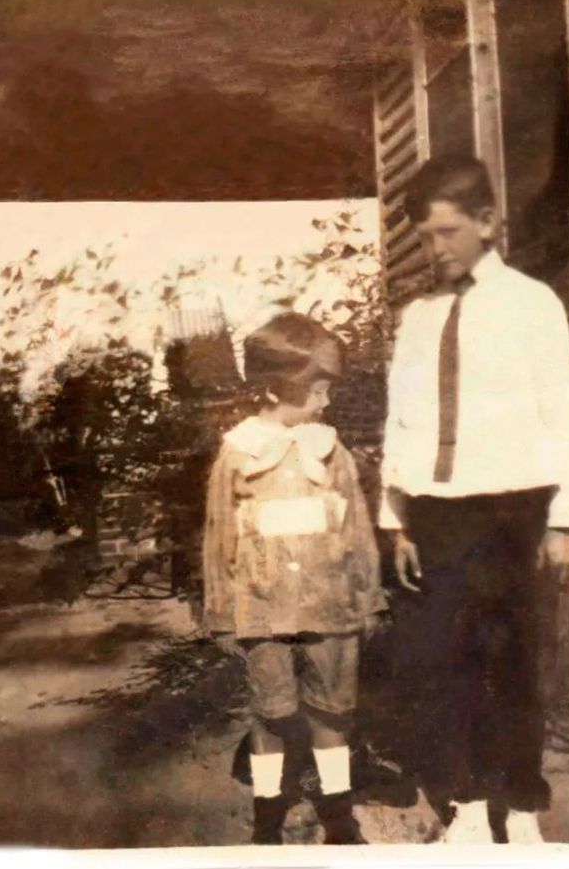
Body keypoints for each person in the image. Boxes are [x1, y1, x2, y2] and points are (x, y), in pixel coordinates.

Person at [379, 154, 569, 843]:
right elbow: (402, 420)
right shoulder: (418, 317)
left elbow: (567, 416)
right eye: (425, 238)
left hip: (513, 509)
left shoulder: (531, 304)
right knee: (444, 659)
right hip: (437, 510)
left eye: (448, 232)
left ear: (487, 222)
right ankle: (463, 804)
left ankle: (519, 807)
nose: (436, 249)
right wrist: (397, 520)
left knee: (514, 659)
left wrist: (566, 521)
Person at [203, 312, 387, 845]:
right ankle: (267, 820)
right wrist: (222, 614)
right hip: (263, 610)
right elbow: (219, 537)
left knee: (333, 714)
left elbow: (357, 530)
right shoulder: (239, 452)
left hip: (331, 606)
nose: (326, 402)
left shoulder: (331, 451)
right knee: (271, 716)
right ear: (272, 389)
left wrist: (369, 598)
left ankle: (339, 817)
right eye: (317, 390)